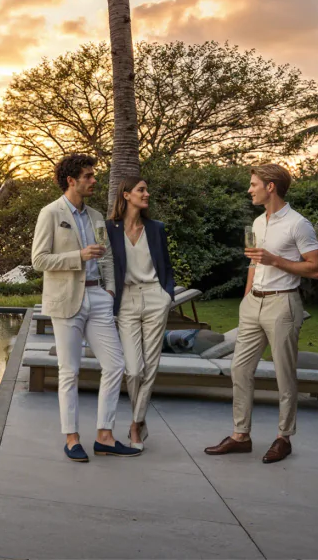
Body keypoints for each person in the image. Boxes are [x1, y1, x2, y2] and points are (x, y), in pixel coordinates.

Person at [208, 164, 318, 464]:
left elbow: (315, 268)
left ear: (270, 187)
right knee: (240, 369)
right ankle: (240, 436)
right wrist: (247, 297)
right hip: (253, 304)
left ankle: (284, 438)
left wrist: (276, 260)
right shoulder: (258, 222)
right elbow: (254, 262)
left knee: (284, 374)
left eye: (253, 184)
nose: (249, 189)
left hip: (282, 304)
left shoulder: (299, 224)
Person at [33, 153, 136, 461]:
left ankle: (105, 436)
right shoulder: (50, 213)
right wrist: (78, 256)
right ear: (71, 180)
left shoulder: (95, 216)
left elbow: (106, 255)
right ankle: (72, 438)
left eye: (93, 175)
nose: (94, 180)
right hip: (67, 300)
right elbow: (39, 260)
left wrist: (109, 290)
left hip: (98, 298)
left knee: (115, 365)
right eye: (88, 176)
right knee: (69, 371)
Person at [105, 176, 176, 449]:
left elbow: (166, 265)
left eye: (147, 190)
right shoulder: (110, 229)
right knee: (134, 370)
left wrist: (167, 295)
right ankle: (141, 420)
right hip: (126, 299)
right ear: (126, 195)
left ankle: (136, 424)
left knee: (151, 365)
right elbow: (104, 264)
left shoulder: (156, 228)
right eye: (141, 190)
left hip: (156, 296)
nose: (147, 194)